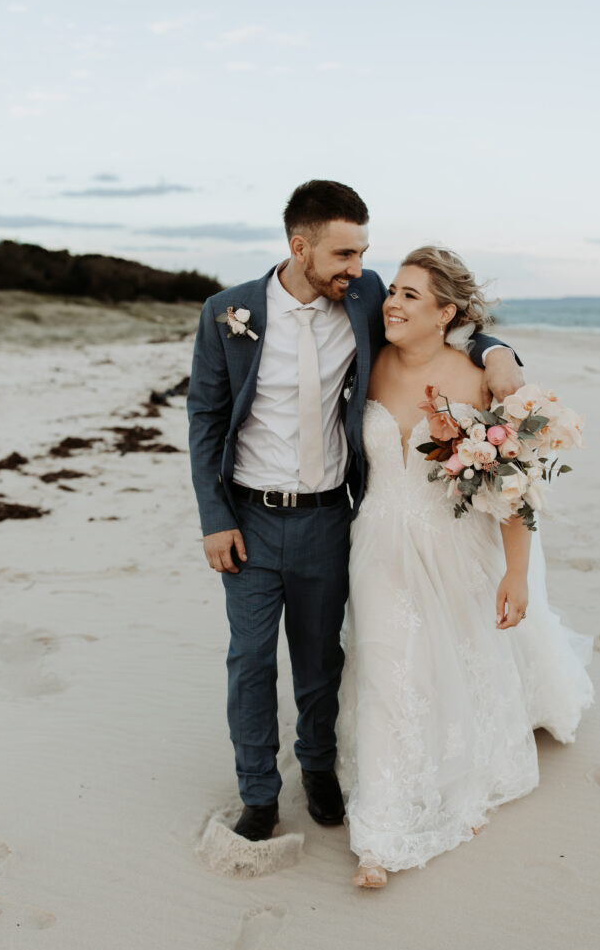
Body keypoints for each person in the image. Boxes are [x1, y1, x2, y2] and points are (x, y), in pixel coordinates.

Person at [187, 183, 524, 842]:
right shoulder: (227, 313)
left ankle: (317, 769)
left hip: (328, 519)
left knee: (321, 660)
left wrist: (498, 352)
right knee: (249, 660)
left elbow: (445, 323)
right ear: (299, 247)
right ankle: (258, 793)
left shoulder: (366, 296)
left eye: (363, 251)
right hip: (248, 521)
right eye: (344, 253)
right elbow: (204, 419)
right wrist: (213, 517)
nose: (358, 266)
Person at [335, 246, 594, 888]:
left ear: (445, 312)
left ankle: (467, 775)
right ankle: (380, 832)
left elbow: (515, 487)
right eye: (392, 290)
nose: (391, 302)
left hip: (455, 548)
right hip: (377, 543)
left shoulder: (482, 379)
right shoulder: (367, 363)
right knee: (387, 671)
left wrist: (514, 573)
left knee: (456, 664)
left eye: (410, 295)